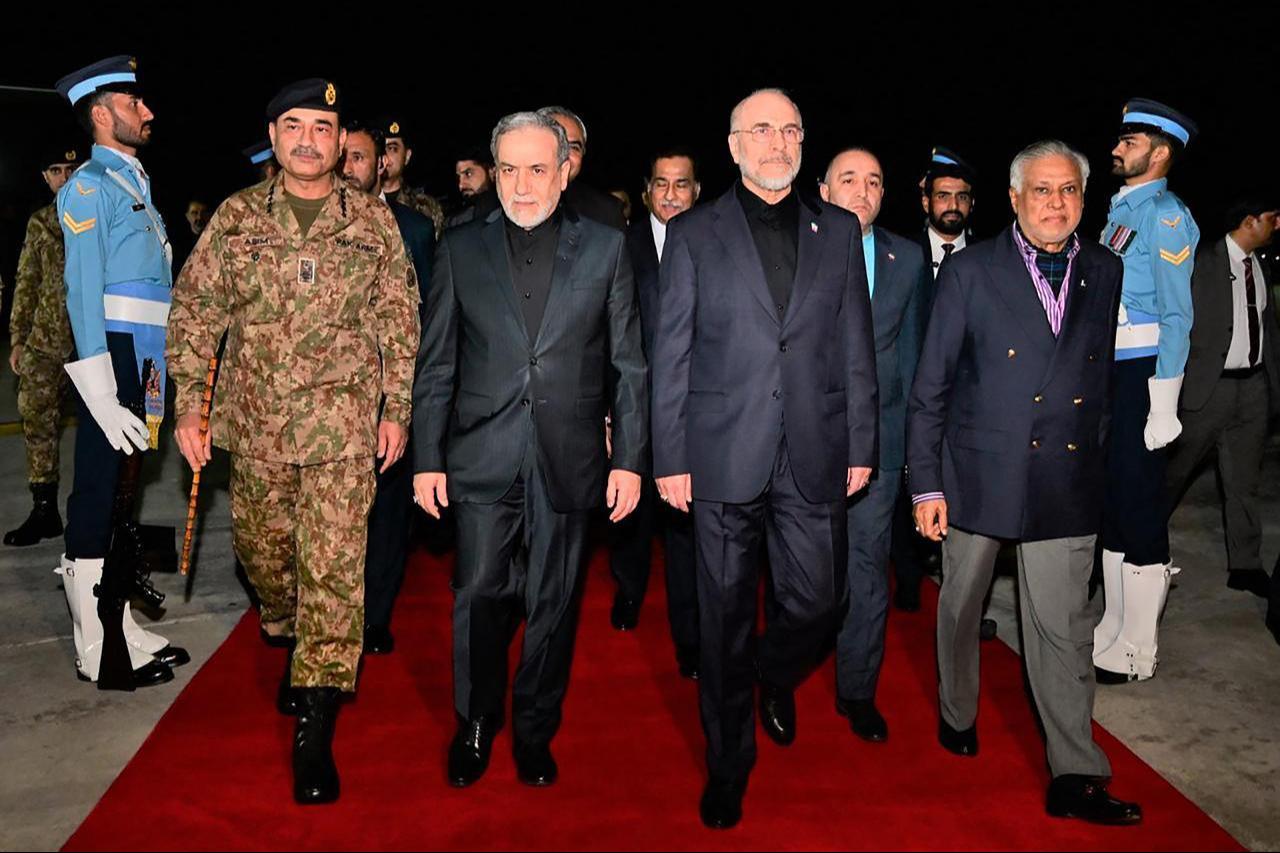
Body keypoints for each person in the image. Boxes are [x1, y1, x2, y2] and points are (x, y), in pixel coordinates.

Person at [167, 79, 420, 804]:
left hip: (342, 432)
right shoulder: (237, 218)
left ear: (343, 141)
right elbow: (193, 312)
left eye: (324, 126)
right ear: (274, 134)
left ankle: (316, 721)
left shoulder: (372, 223)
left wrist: (395, 405)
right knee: (266, 557)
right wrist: (192, 406)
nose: (309, 139)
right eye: (295, 125)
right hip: (257, 428)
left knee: (336, 572)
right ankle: (287, 628)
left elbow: (398, 321)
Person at [651, 88, 878, 829]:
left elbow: (855, 346)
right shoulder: (693, 233)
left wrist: (863, 442)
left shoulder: (838, 229)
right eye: (761, 130)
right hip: (720, 453)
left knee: (821, 599)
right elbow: (672, 351)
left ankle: (769, 672)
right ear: (734, 143)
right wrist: (669, 454)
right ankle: (727, 767)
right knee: (719, 618)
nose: (777, 142)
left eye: (790, 130)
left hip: (813, 448)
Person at [413, 110, 646, 790]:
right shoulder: (460, 246)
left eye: (537, 168)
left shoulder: (606, 248)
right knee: (479, 590)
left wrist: (629, 457)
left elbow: (631, 366)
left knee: (554, 601)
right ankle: (477, 718)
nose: (520, 184)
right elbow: (436, 365)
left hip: (570, 455)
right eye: (507, 169)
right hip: (483, 453)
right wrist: (428, 456)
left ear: (565, 171)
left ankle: (536, 725)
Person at [909, 140, 1140, 826]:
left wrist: (1096, 467)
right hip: (979, 472)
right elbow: (931, 389)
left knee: (1064, 630)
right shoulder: (972, 271)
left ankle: (1075, 772)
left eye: (1068, 189)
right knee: (960, 605)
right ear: (1014, 199)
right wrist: (927, 485)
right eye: (1041, 190)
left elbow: (1096, 382)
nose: (1056, 202)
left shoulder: (1105, 267)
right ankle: (957, 708)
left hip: (1063, 477)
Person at [53, 55, 188, 690]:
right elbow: (82, 290)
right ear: (102, 114)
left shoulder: (134, 183)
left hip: (144, 355)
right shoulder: (89, 187)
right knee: (98, 488)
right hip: (113, 354)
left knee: (123, 495)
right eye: (135, 104)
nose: (148, 111)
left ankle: (119, 620)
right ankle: (93, 643)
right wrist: (99, 382)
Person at [819, 146, 930, 743]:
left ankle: (857, 689)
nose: (863, 191)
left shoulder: (906, 259)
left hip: (880, 446)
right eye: (850, 179)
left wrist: (915, 455)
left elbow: (913, 359)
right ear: (824, 187)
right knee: (801, 575)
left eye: (875, 181)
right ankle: (781, 670)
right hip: (802, 445)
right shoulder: (796, 248)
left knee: (867, 570)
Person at [1093, 99, 1200, 684]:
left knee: (1139, 505)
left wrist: (1165, 399)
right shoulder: (1120, 213)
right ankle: (1112, 625)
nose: (1118, 147)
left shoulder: (1165, 216)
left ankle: (1138, 649)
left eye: (1129, 141)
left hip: (1143, 376)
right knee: (1113, 503)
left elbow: (1178, 316)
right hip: (1113, 373)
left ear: (1158, 153)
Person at [340, 118, 436, 654]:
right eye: (344, 155)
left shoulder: (415, 231)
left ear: (381, 164)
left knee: (388, 514)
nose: (349, 166)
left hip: (390, 399)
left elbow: (428, 321)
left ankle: (375, 615)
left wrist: (411, 399)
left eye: (360, 157)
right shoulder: (317, 224)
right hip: (331, 403)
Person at [607, 147, 701, 681]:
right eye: (661, 184)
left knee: (687, 527)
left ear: (696, 190)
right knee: (632, 514)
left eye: (681, 184)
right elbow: (604, 334)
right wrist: (606, 414)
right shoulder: (621, 244)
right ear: (646, 191)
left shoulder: (712, 244)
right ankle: (629, 592)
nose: (670, 194)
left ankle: (689, 636)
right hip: (634, 405)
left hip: (694, 412)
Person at [1165, 199, 1279, 600]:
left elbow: (1268, 328)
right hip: (1205, 391)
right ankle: (1136, 547)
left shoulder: (1258, 263)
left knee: (1244, 482)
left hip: (1252, 390)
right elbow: (1177, 326)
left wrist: (1272, 388)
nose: (1277, 224)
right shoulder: (1202, 263)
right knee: (1171, 476)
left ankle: (1245, 565)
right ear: (1250, 220)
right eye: (1272, 218)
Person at [5, 146, 81, 547]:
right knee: (36, 419)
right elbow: (26, 281)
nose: (65, 177)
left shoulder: (97, 217)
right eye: (57, 170)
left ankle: (100, 512)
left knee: (103, 431)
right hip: (45, 342)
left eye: (72, 169)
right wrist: (18, 337)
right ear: (46, 177)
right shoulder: (40, 224)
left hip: (90, 344)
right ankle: (44, 509)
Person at [536, 106, 626, 230]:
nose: (564, 154)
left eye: (574, 147)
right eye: (556, 142)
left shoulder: (606, 213)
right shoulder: (503, 203)